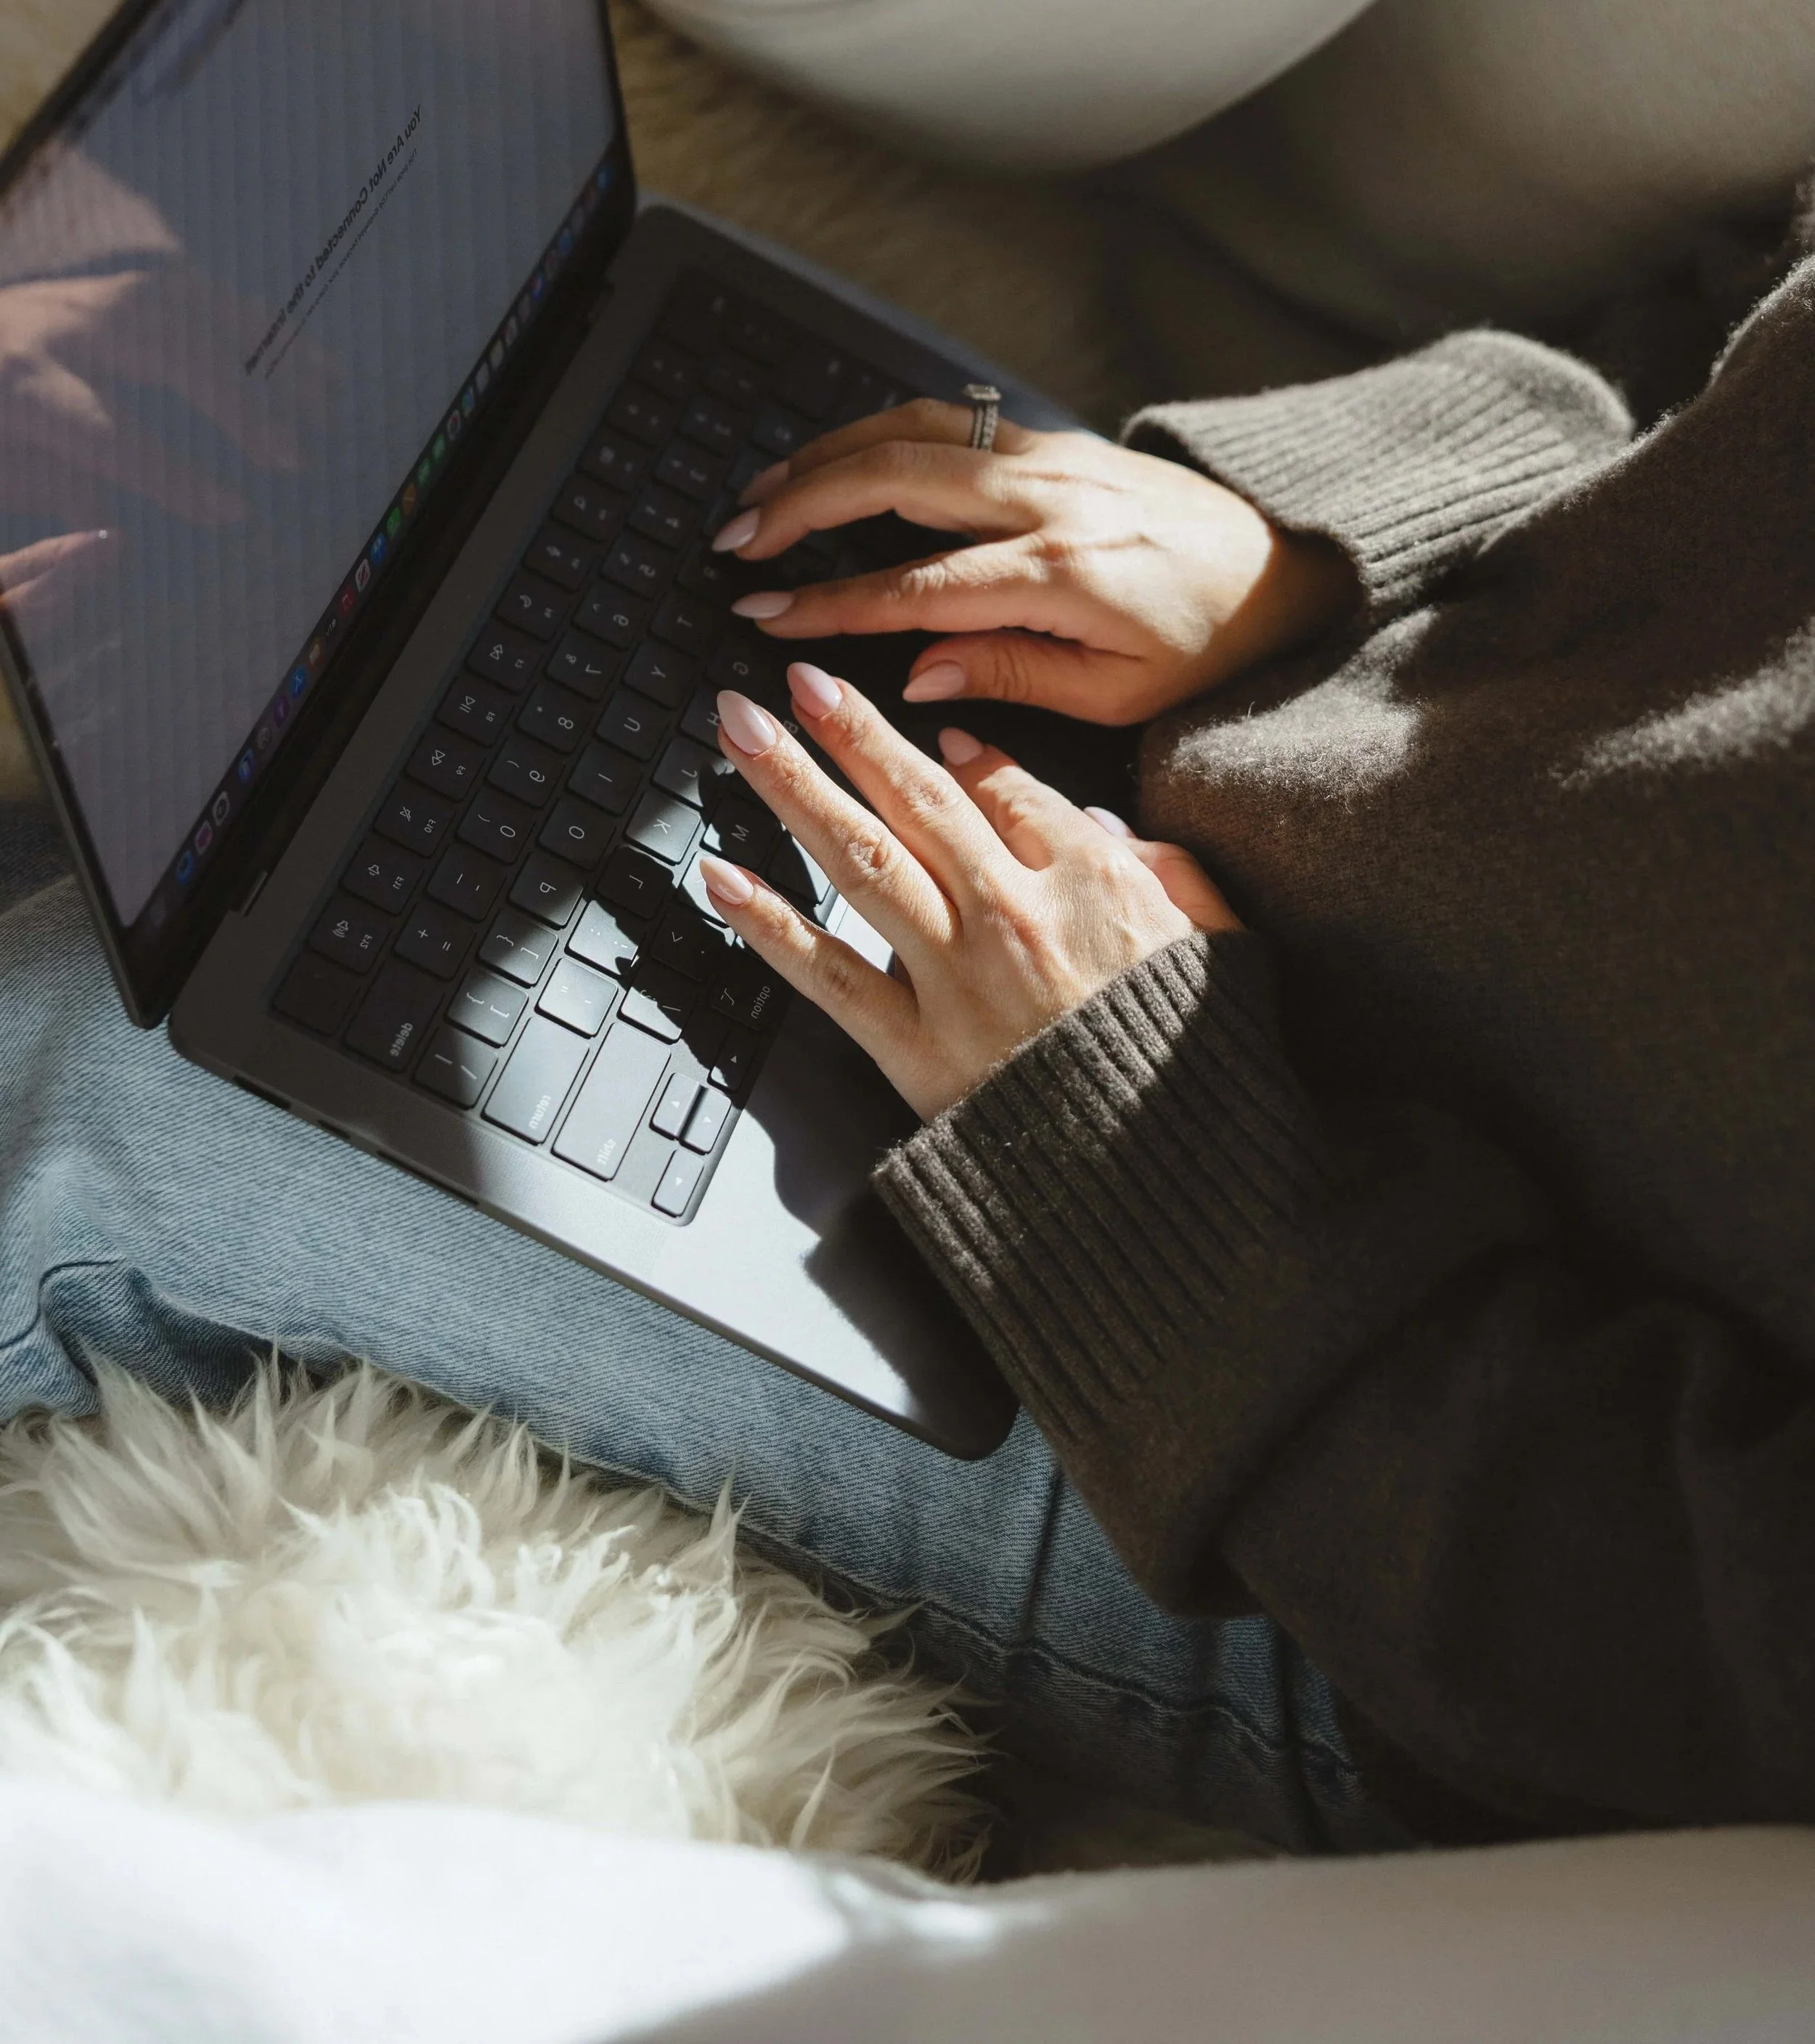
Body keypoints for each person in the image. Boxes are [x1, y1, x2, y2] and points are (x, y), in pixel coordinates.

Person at [4, 212, 1813, 1857]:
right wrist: (1317, 543)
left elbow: (1723, 1655)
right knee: (393, 538)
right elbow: (1725, 322)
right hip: (1219, 730)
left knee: (106, 1063)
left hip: (1337, 1440)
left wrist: (1141, 1153)